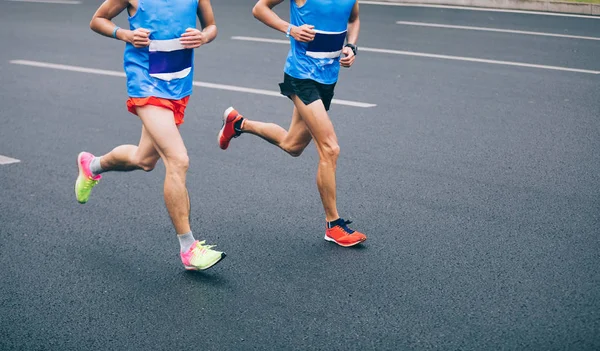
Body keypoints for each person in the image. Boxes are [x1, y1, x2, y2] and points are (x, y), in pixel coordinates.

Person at [75, 0, 225, 270]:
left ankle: (91, 165)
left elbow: (212, 26)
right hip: (145, 83)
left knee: (144, 159)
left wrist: (203, 36)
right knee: (178, 159)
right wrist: (125, 34)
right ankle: (188, 248)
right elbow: (97, 19)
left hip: (178, 83)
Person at [218, 0, 367, 247]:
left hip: (327, 78)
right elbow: (259, 8)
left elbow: (353, 19)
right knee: (330, 148)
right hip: (301, 76)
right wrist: (291, 29)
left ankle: (238, 123)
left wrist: (351, 45)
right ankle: (333, 225)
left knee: (292, 145)